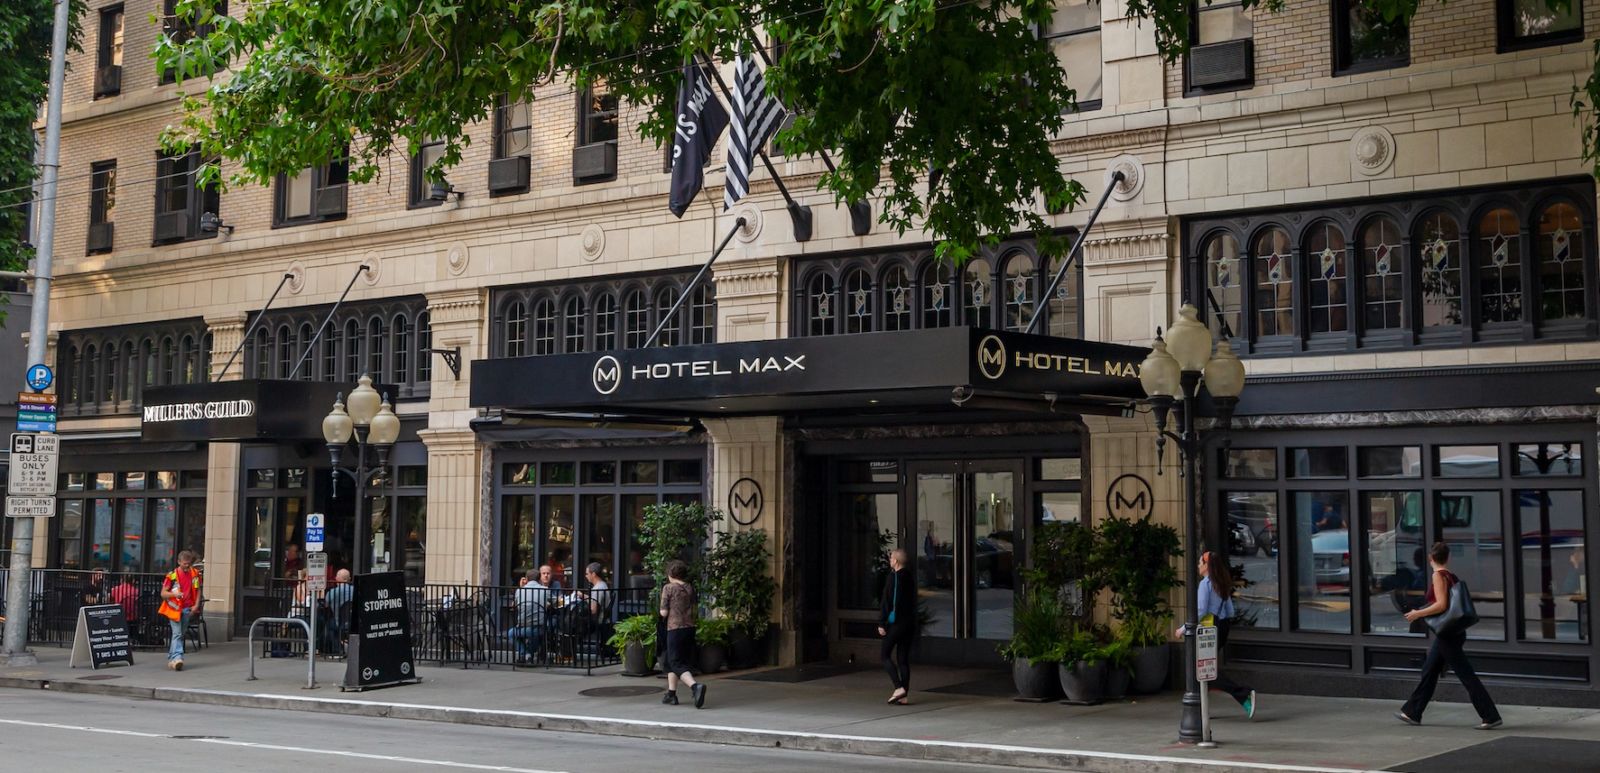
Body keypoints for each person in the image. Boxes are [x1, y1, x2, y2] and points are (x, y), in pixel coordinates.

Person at [1395, 542, 1502, 730]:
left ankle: (1490, 716)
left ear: (1430, 558)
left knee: (1466, 675)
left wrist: (1418, 613)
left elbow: (1442, 605)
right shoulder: (1451, 576)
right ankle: (1413, 712)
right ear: (1448, 557)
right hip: (1452, 632)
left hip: (1448, 635)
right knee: (1429, 670)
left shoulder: (1438, 575)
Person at [1177, 551, 1256, 718]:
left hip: (1209, 629)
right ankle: (1202, 708)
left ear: (1207, 566)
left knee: (1204, 670)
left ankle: (1243, 694)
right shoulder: (1221, 584)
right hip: (1222, 627)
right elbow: (1230, 611)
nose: (1198, 566)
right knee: (1205, 669)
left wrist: (1184, 628)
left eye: (1200, 563)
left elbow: (1201, 610)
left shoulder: (1205, 584)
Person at [658, 560, 705, 708]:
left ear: (670, 573)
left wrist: (662, 612)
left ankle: (695, 686)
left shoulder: (668, 588)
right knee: (673, 660)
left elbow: (663, 612)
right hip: (689, 628)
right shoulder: (689, 588)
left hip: (674, 629)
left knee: (676, 662)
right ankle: (671, 694)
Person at [878, 548, 916, 705]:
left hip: (896, 623)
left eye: (891, 558)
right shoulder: (910, 578)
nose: (890, 560)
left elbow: (887, 602)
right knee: (903, 659)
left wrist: (882, 623)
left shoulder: (893, 578)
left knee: (884, 655)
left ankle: (898, 687)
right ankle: (904, 695)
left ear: (896, 561)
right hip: (909, 623)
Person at [159, 550, 203, 671]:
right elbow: (163, 594)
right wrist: (175, 595)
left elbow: (198, 590)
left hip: (187, 609)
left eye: (189, 563)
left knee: (180, 634)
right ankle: (178, 657)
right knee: (178, 634)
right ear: (179, 562)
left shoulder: (195, 574)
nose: (187, 566)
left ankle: (172, 659)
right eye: (185, 563)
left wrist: (196, 605)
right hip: (174, 609)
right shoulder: (172, 575)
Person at [509, 566, 553, 665]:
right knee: (537, 635)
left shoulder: (519, 591)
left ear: (527, 579)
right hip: (539, 628)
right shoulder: (545, 590)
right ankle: (528, 654)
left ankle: (525, 654)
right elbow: (551, 605)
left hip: (522, 627)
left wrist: (521, 587)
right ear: (539, 579)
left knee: (511, 634)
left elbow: (514, 605)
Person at [323, 569, 354, 654]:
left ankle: (337, 650)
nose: (335, 578)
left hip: (339, 621)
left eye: (336, 576)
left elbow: (325, 605)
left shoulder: (332, 592)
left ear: (340, 579)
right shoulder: (356, 590)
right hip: (354, 622)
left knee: (329, 627)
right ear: (349, 579)